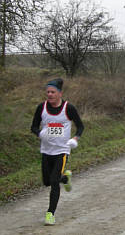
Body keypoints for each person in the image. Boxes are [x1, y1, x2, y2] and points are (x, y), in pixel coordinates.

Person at [30, 78, 84, 226]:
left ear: (60, 93)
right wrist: (40, 133)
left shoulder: (68, 108)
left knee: (54, 182)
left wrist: (75, 138)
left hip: (62, 150)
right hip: (46, 150)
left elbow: (80, 126)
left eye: (53, 92)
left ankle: (50, 214)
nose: (50, 94)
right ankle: (65, 179)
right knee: (46, 181)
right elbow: (33, 126)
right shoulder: (41, 108)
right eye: (47, 92)